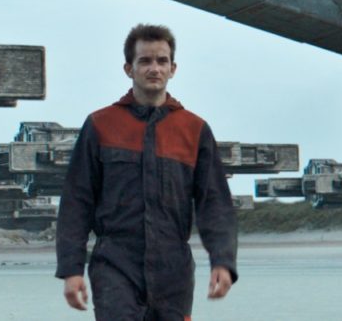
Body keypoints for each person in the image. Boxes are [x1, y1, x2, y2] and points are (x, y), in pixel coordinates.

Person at [55, 24, 238, 320]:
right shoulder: (100, 125)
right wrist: (71, 269)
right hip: (115, 265)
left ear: (173, 69)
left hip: (173, 272)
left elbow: (214, 203)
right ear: (129, 68)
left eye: (162, 61)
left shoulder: (194, 130)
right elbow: (77, 201)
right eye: (145, 61)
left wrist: (223, 261)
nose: (154, 68)